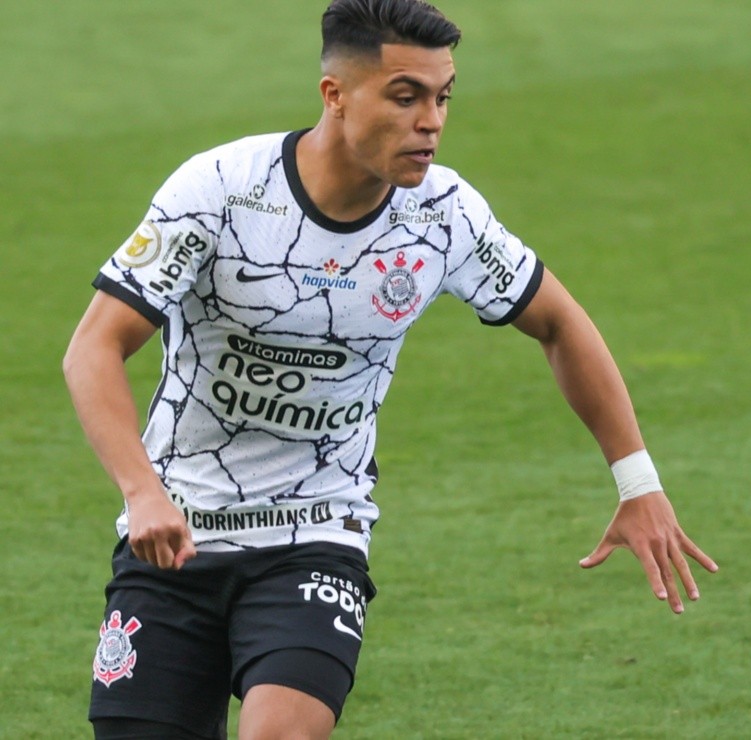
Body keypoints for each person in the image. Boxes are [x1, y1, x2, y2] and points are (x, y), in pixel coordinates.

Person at [62, 0, 717, 737]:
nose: (431, 122)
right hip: (174, 537)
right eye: (405, 97)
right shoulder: (219, 190)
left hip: (316, 535)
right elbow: (94, 347)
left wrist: (638, 482)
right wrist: (142, 492)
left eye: (442, 98)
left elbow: (560, 323)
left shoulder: (444, 217)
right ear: (335, 95)